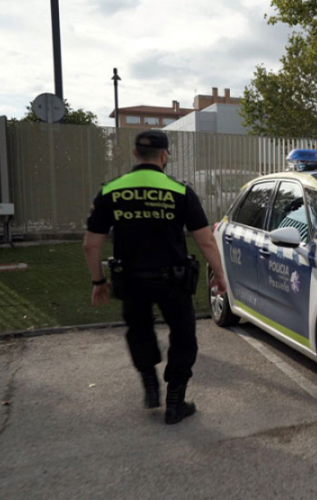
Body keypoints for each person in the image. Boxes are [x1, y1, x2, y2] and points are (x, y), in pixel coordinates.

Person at [82, 130, 228, 425]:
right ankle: (175, 401)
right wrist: (220, 276)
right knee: (183, 337)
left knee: (139, 330)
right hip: (173, 281)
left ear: (135, 154)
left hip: (131, 280)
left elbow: (91, 244)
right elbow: (205, 240)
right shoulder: (180, 191)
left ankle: (150, 383)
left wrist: (98, 281)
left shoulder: (111, 191)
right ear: (164, 156)